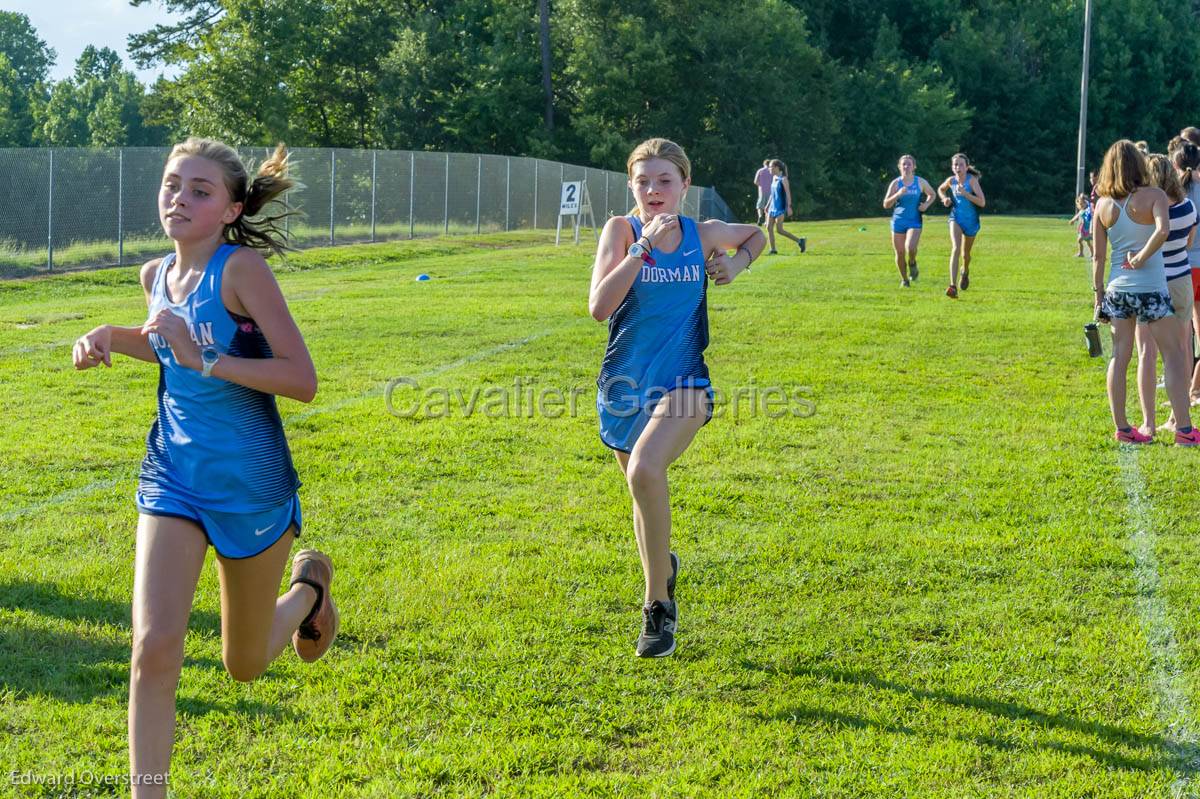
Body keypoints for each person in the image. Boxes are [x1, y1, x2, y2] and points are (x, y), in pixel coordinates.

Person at [72, 138, 338, 796]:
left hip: (251, 488)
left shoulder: (242, 271)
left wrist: (207, 360)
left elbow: (301, 379)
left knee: (243, 664)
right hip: (172, 476)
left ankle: (309, 589)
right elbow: (170, 347)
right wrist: (111, 335)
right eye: (171, 185)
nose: (179, 198)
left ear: (231, 208)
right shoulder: (154, 274)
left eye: (199, 189)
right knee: (153, 646)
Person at [589, 137, 766, 657]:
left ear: (686, 185)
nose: (653, 190)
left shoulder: (702, 233)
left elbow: (753, 235)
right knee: (642, 494)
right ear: (631, 186)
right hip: (623, 389)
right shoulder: (620, 232)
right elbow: (599, 306)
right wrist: (642, 248)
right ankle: (664, 566)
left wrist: (736, 265)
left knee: (646, 469)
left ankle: (657, 608)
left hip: (685, 382)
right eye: (643, 181)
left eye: (665, 180)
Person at [1091, 139, 1200, 445]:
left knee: (1120, 356)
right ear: (1139, 164)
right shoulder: (1154, 195)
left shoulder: (1102, 204)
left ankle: (1124, 429)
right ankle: (1185, 431)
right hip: (1151, 289)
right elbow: (1163, 230)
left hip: (1117, 289)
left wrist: (1098, 295)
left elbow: (1098, 257)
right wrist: (1141, 258)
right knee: (1175, 355)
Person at [1133, 153, 1197, 436]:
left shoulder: (1148, 212)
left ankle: (1148, 422)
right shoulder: (1188, 206)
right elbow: (1189, 242)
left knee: (1147, 352)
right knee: (1182, 350)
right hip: (1181, 279)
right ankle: (1177, 418)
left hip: (1154, 281)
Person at [882, 154, 936, 287]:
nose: (906, 166)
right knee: (900, 253)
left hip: (914, 221)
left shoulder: (920, 182)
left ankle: (912, 262)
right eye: (904, 164)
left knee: (910, 247)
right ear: (899, 166)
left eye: (909, 164)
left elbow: (932, 194)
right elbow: (886, 204)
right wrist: (898, 194)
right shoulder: (896, 183)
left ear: (914, 167)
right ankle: (905, 280)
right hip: (898, 221)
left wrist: (926, 205)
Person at [937, 153, 986, 298]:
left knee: (966, 255)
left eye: (961, 165)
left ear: (966, 167)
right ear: (952, 167)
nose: (957, 167)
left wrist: (966, 194)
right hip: (956, 218)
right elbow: (940, 189)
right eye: (955, 165)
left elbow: (982, 202)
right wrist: (945, 198)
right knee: (956, 248)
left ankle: (965, 271)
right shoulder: (951, 180)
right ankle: (952, 286)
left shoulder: (972, 181)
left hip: (971, 221)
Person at [764, 159, 806, 255]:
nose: (769, 169)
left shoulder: (783, 179)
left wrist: (789, 207)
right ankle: (773, 250)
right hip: (772, 208)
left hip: (780, 208)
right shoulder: (774, 178)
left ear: (776, 167)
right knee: (769, 228)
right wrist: (767, 205)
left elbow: (788, 194)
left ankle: (800, 241)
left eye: (770, 167)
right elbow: (772, 194)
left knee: (779, 230)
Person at [1069, 194, 1094, 258]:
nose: (1081, 205)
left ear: (1086, 203)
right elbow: (1077, 216)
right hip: (1082, 229)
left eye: (1083, 203)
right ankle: (1081, 253)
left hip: (1087, 229)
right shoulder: (1081, 210)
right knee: (1079, 240)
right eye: (1080, 204)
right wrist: (1072, 220)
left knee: (1088, 242)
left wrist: (1091, 229)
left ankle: (1093, 254)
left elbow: (1091, 219)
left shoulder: (1088, 211)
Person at [754, 159, 773, 226]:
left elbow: (755, 181)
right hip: (771, 191)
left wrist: (761, 186)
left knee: (759, 206)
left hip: (761, 191)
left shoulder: (760, 170)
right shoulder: (772, 171)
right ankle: (766, 221)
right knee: (768, 207)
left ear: (764, 164)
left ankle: (760, 216)